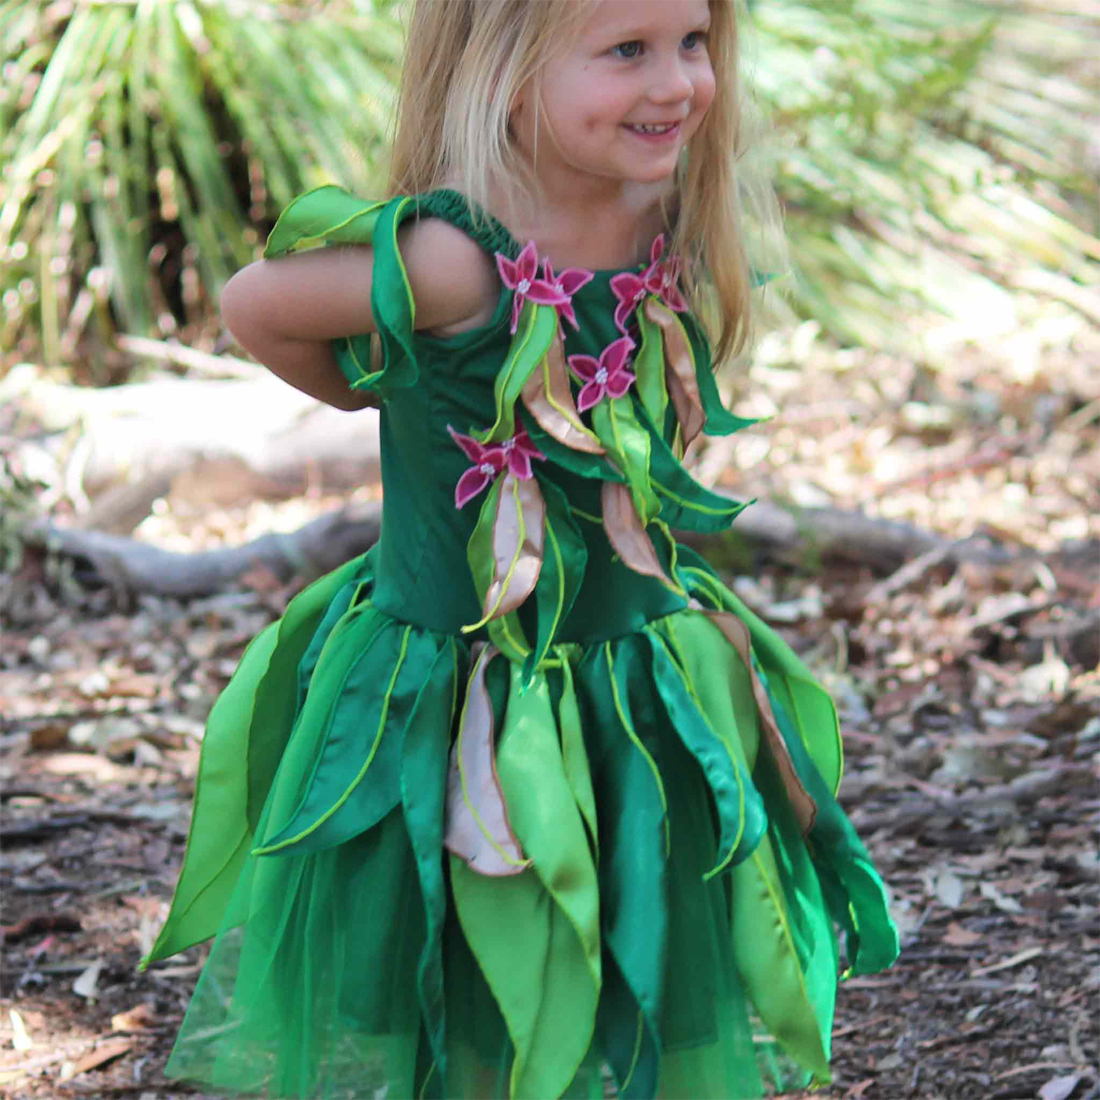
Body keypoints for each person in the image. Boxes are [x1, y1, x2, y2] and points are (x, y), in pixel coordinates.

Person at [143, 0, 900, 1097]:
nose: (678, 82)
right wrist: (387, 386)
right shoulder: (451, 255)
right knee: (473, 959)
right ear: (501, 72)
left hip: (628, 683)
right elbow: (254, 303)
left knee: (631, 948)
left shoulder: (662, 217)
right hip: (458, 698)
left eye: (692, 43)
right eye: (627, 51)